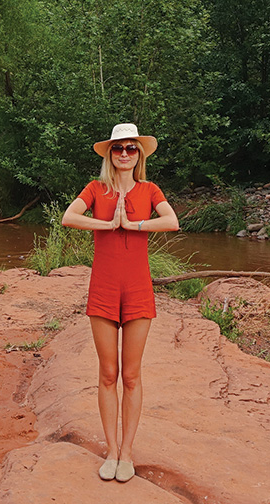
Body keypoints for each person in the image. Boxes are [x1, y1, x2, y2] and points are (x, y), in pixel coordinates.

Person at [61, 122, 180, 483]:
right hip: (104, 288)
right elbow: (68, 217)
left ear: (139, 154)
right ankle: (111, 451)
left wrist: (134, 225)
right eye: (118, 148)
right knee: (107, 373)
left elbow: (172, 221)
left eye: (131, 148)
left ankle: (128, 452)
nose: (125, 154)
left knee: (130, 375)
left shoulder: (149, 189)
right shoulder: (97, 188)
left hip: (138, 289)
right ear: (110, 155)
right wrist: (108, 224)